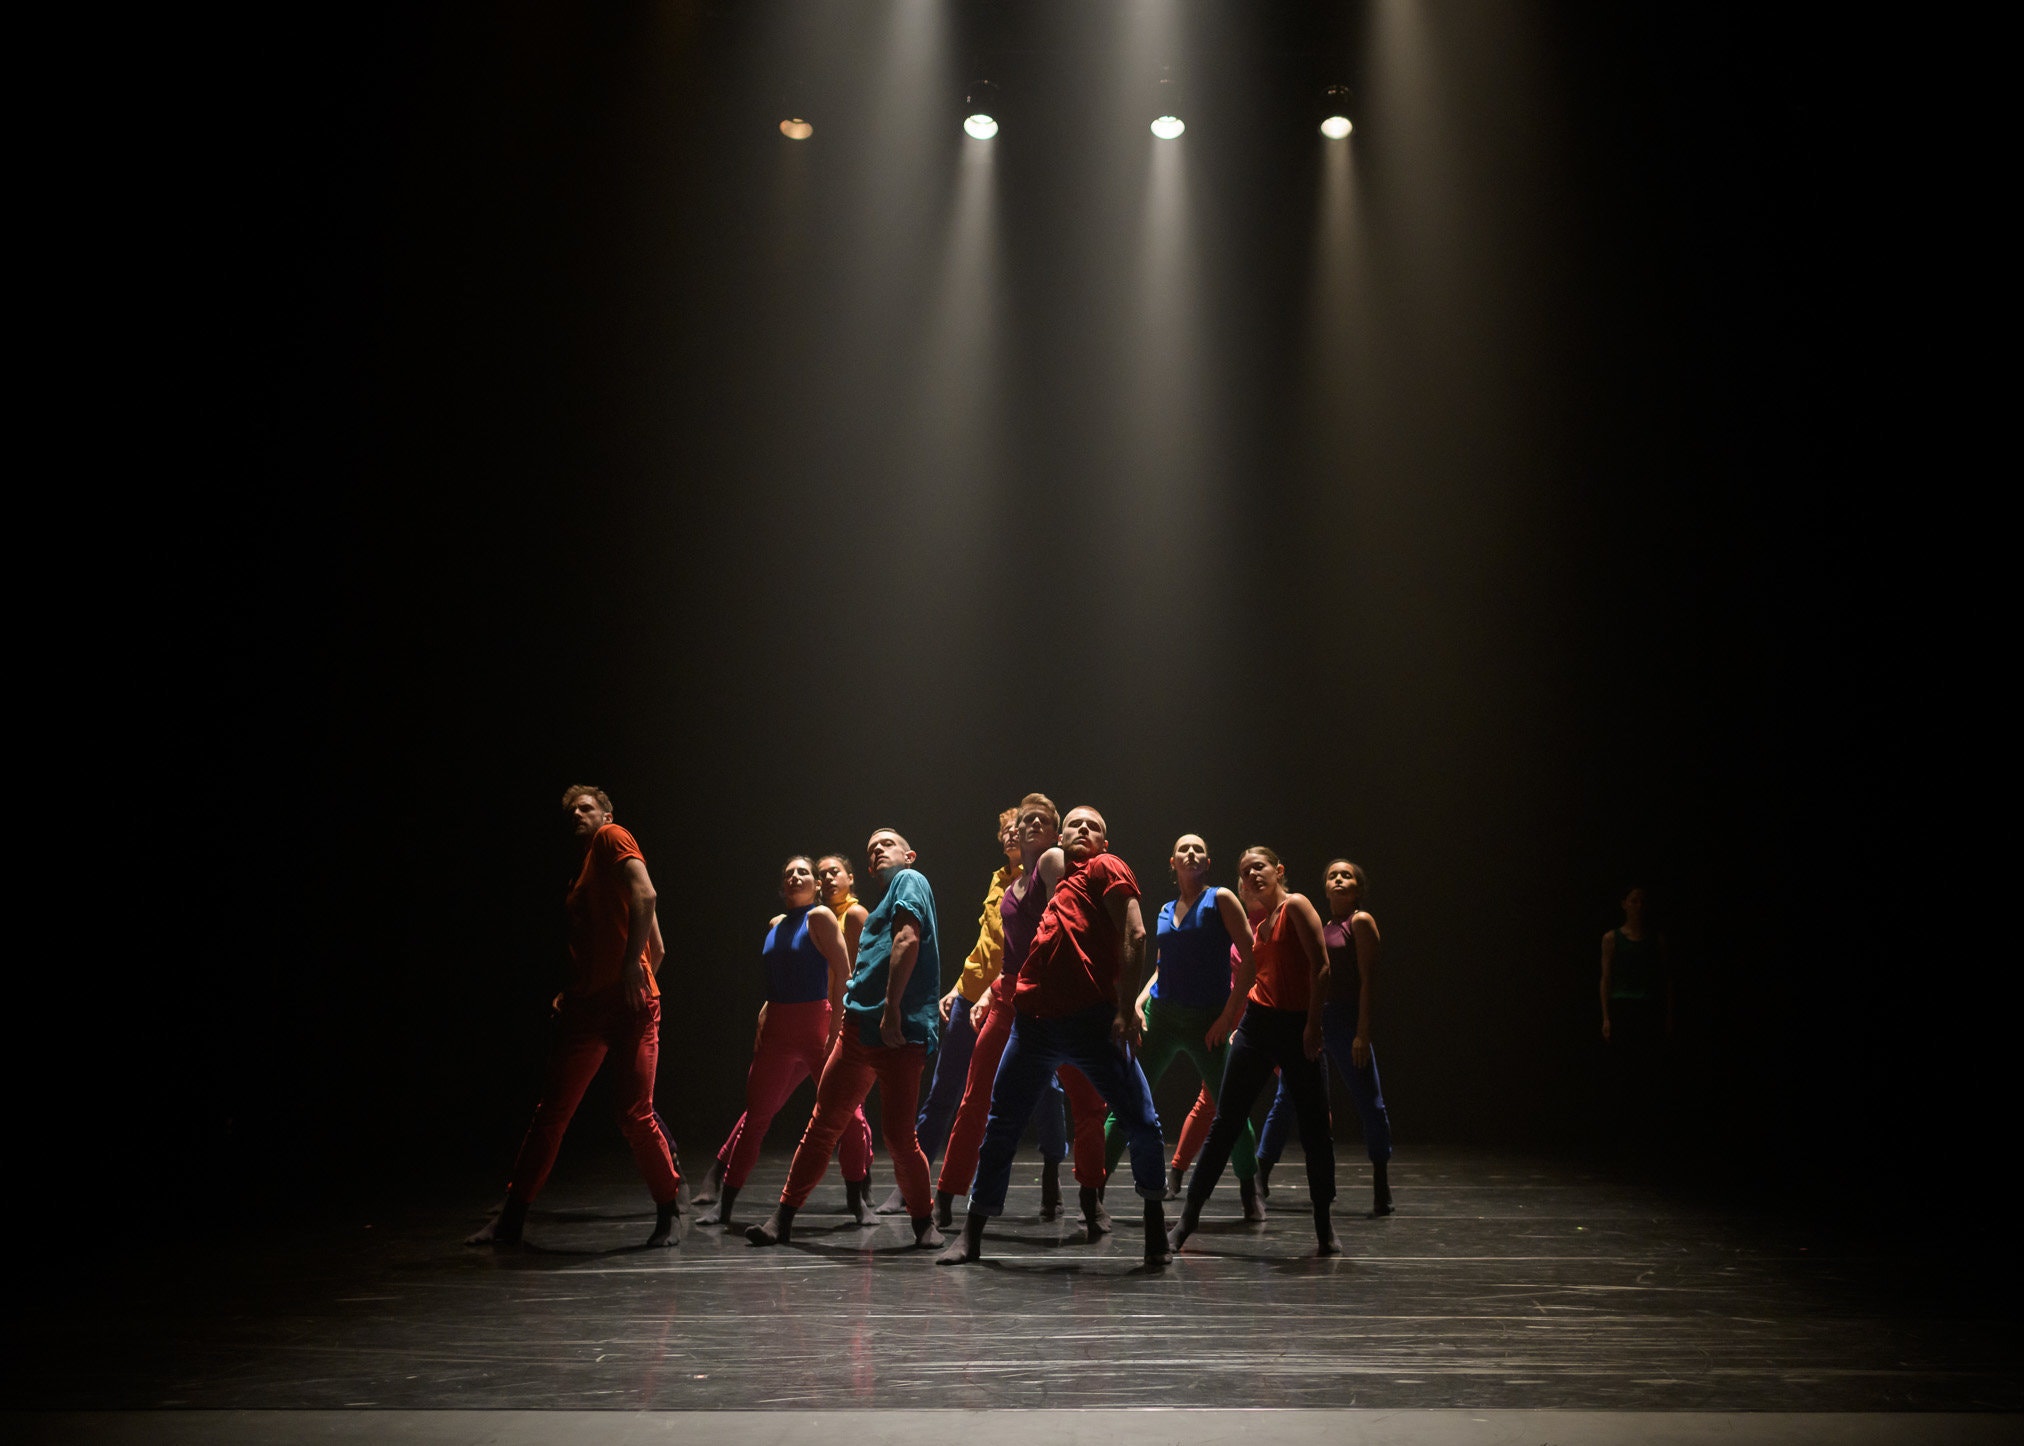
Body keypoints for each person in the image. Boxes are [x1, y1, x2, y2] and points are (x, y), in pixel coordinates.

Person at [938, 806, 1170, 1269]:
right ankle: (972, 1233)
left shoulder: (1106, 867)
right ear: (1061, 839)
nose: (1083, 829)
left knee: (1142, 1122)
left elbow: (1137, 933)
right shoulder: (1055, 882)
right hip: (1035, 1023)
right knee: (1001, 1123)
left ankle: (1154, 1226)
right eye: (1075, 825)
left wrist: (1126, 1008)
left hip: (1091, 1023)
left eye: (1094, 826)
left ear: (1104, 842)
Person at [468, 786, 682, 1249]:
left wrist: (632, 970)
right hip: (587, 1006)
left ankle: (669, 1210)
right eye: (572, 811)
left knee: (634, 1114)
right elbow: (654, 947)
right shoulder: (583, 873)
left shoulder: (611, 838)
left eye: (587, 807)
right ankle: (511, 1218)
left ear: (606, 814)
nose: (578, 814)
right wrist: (579, 987)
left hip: (629, 1005)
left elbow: (647, 895)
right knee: (551, 1113)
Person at [748, 829, 945, 1249]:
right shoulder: (877, 910)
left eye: (887, 844)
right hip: (859, 1030)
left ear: (909, 855)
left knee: (898, 1137)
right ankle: (782, 1218)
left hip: (897, 1033)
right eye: (872, 849)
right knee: (823, 1124)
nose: (878, 850)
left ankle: (923, 1221)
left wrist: (892, 1008)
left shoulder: (910, 880)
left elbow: (907, 940)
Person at [932, 794, 1104, 1234]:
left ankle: (1089, 1197)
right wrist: (991, 991)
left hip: (1055, 999)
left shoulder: (1053, 863)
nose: (1031, 825)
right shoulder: (1010, 889)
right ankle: (947, 1194)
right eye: (1026, 819)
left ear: (1056, 833)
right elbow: (1006, 953)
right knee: (976, 1098)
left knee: (1086, 1101)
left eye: (1042, 820)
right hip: (1010, 997)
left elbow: (1064, 932)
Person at [1169, 846, 1337, 1257]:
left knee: (1315, 1127)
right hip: (1259, 1025)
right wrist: (1234, 1024)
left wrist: (1313, 1025)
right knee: (1225, 1122)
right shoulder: (1259, 927)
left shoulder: (1296, 906)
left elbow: (1321, 967)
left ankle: (1323, 1225)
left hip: (1296, 1025)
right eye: (1245, 872)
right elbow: (1255, 977)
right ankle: (1187, 1219)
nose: (1252, 876)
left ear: (1279, 870)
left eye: (1258, 868)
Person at [876, 808, 1038, 1215]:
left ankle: (1049, 1182)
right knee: (944, 1091)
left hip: (1011, 997)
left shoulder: (1038, 881)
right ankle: (909, 1186)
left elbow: (1022, 949)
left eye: (1016, 829)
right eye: (1004, 831)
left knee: (1031, 1094)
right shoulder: (997, 879)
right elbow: (986, 944)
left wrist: (994, 991)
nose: (1010, 836)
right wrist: (958, 988)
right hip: (971, 996)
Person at [697, 851, 877, 1214]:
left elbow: (844, 974)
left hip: (816, 1025)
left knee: (848, 1114)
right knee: (757, 1114)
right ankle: (725, 1204)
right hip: (779, 1029)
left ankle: (857, 1200)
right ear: (782, 885)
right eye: (789, 873)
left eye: (803, 872)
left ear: (815, 884)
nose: (795, 877)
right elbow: (779, 976)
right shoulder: (775, 924)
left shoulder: (822, 916)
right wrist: (766, 1008)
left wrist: (837, 1026)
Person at [1101, 835, 1264, 1221]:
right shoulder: (1164, 910)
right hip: (1162, 1015)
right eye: (1184, 850)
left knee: (1231, 1107)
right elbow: (1162, 967)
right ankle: (1095, 1190)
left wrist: (1227, 1018)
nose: (1191, 854)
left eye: (1198, 849)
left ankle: (1248, 1189)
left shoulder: (1221, 899)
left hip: (1206, 1020)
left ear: (1207, 861)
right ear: (1172, 862)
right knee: (1125, 1100)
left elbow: (1251, 959)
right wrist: (1138, 1001)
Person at [1252, 859, 1394, 1216]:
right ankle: (1260, 1176)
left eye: (1347, 875)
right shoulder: (1324, 925)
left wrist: (1362, 1032)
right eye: (1333, 875)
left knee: (1370, 1101)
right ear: (1326, 886)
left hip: (1346, 1020)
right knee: (1286, 1098)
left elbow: (1369, 982)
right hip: (1316, 1017)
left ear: (1358, 889)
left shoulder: (1360, 922)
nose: (1339, 880)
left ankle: (1381, 1184)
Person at [1600, 885, 1672, 1047]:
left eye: (1642, 902)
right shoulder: (1611, 938)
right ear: (1624, 904)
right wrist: (1606, 1017)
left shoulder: (1657, 939)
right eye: (1634, 901)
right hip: (1622, 1006)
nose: (1638, 906)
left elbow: (1665, 978)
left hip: (1649, 1006)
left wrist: (1668, 1015)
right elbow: (1606, 978)